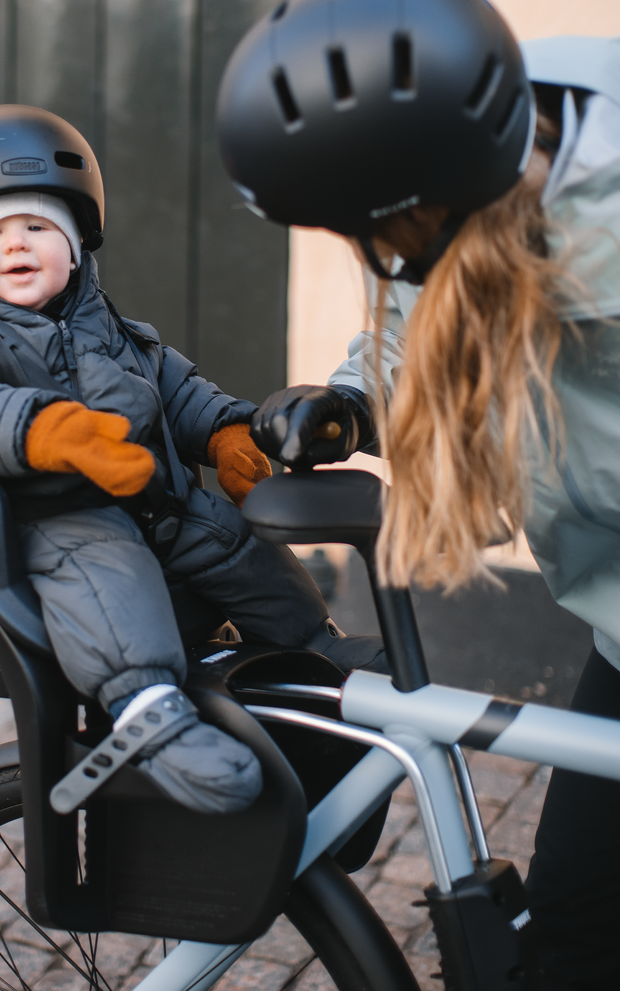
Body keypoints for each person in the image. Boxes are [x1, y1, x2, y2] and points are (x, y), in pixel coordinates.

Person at [218, 3, 620, 988]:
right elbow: (416, 324)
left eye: (381, 231)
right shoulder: (463, 178)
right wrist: (351, 408)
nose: (374, 255)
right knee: (571, 941)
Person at [0, 105, 385, 816]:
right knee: (111, 588)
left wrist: (223, 432)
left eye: (36, 226)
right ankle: (151, 715)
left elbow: (169, 384)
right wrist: (50, 431)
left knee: (247, 551)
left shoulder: (99, 316)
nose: (14, 246)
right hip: (60, 522)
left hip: (162, 504)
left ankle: (313, 656)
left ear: (75, 243)